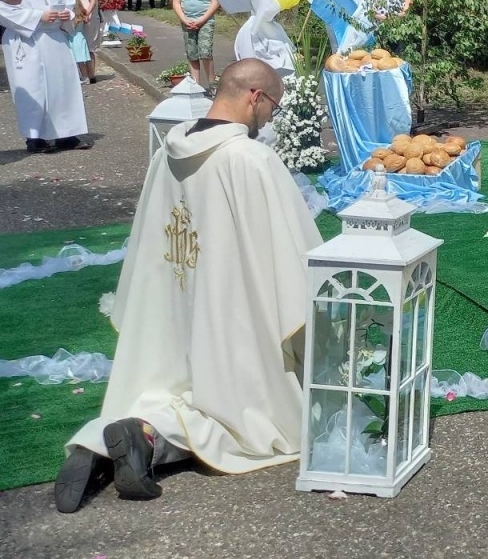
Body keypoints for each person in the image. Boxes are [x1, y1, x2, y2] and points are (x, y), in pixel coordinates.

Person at [54, 59, 321, 512]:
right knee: (264, 424)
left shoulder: (167, 152)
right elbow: (294, 252)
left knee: (171, 390)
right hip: (233, 318)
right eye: (272, 104)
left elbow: (147, 241)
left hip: (173, 308)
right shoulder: (251, 158)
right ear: (254, 95)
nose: (272, 116)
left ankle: (103, 441)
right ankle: (142, 439)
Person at [0, 0, 90, 153]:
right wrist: (36, 16)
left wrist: (66, 15)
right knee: (34, 87)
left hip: (54, 37)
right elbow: (3, 9)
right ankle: (35, 138)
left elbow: (68, 3)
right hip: (27, 39)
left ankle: (65, 135)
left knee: (62, 86)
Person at [172, 0, 221, 89]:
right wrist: (184, 19)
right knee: (192, 54)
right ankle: (195, 86)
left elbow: (215, 2)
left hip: (205, 21)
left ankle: (212, 83)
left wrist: (201, 20)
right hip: (187, 21)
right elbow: (176, 2)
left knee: (205, 52)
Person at [68, 0, 102, 85]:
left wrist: (87, 13)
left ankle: (88, 75)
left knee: (85, 46)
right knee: (87, 46)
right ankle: (90, 75)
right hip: (86, 15)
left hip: (87, 17)